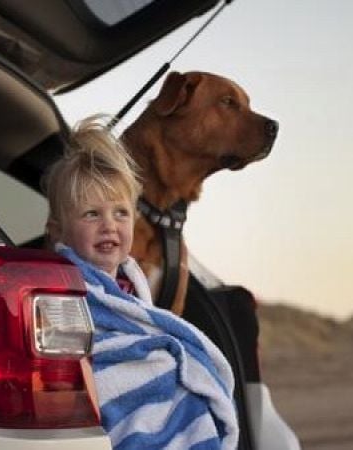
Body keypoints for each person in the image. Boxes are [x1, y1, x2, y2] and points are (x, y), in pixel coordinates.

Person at [42, 115, 239, 450]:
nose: (109, 226)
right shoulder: (62, 287)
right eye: (92, 214)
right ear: (57, 230)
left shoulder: (129, 283)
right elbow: (87, 364)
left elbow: (149, 334)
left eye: (120, 213)